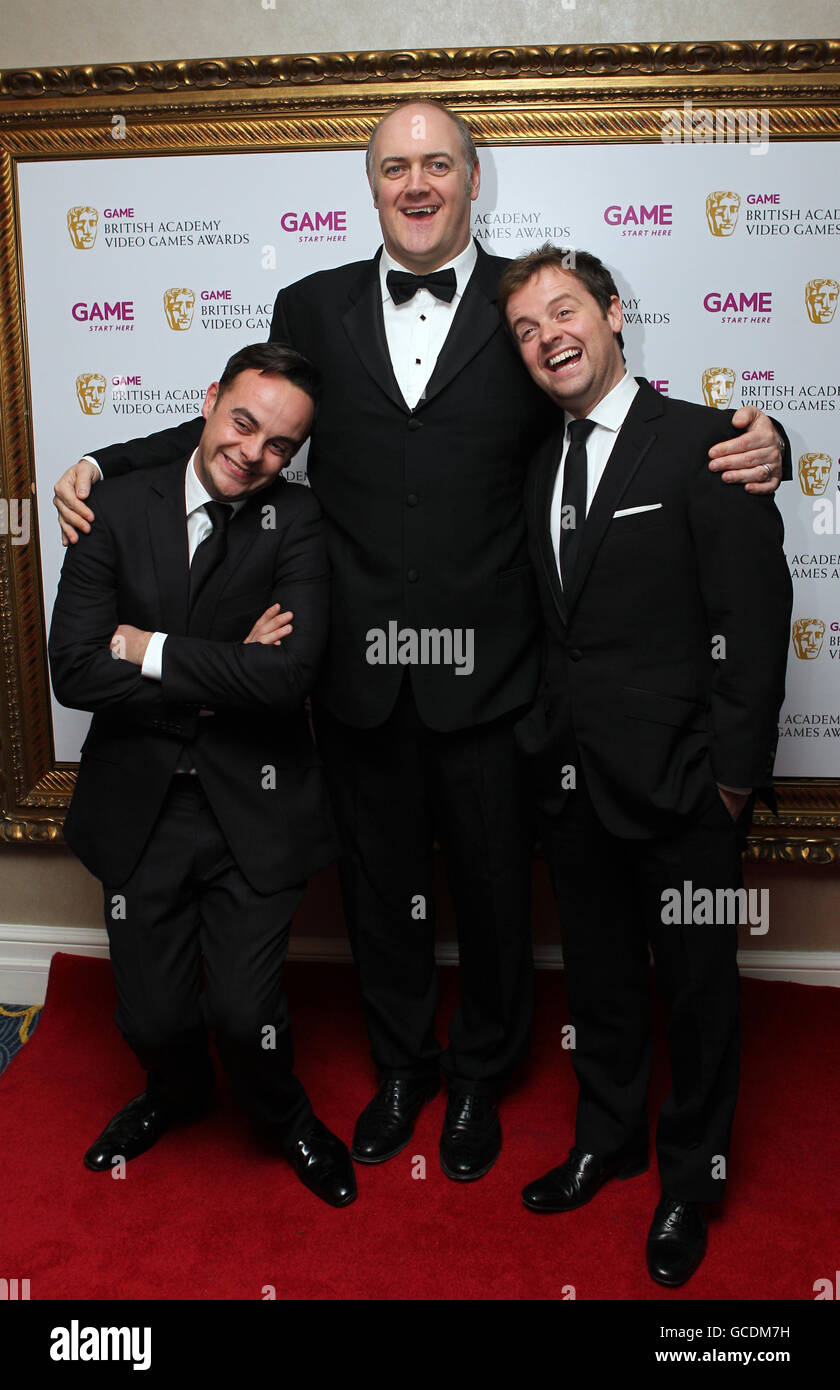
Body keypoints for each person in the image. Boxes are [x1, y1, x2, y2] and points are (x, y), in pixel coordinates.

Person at [53, 100, 789, 1184]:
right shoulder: (310, 301)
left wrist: (772, 437)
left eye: (438, 163)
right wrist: (112, 462)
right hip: (353, 670)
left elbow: (624, 421)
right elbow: (249, 415)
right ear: (371, 181)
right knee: (377, 889)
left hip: (496, 677)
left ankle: (483, 1073)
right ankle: (406, 1063)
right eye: (395, 165)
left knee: (496, 890)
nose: (416, 182)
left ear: (473, 178)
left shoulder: (523, 314)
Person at [498, 245, 791, 1284]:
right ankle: (608, 1137)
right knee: (604, 981)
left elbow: (753, 625)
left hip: (685, 791)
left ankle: (690, 1181)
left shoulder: (708, 444)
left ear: (615, 312)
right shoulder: (541, 462)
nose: (549, 338)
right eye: (527, 330)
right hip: (574, 787)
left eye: (565, 311)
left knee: (702, 994)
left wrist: (731, 783)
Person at [49, 343, 356, 1208]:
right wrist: (227, 669)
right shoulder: (113, 508)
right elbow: (72, 669)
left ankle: (283, 1116)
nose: (253, 453)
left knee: (245, 1017)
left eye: (279, 446)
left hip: (255, 805)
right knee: (151, 1019)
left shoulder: (296, 522)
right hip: (140, 801)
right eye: (243, 422)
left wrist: (146, 650)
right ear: (210, 400)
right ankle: (176, 1094)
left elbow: (289, 678)